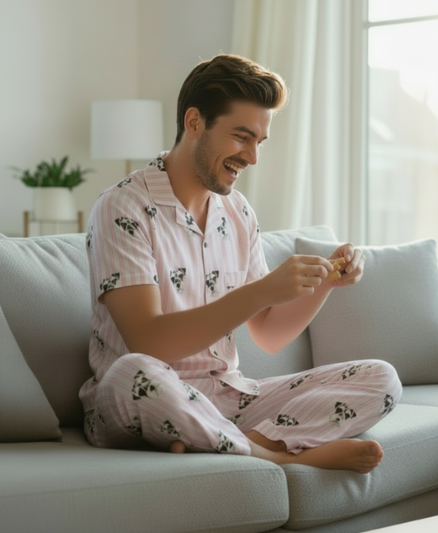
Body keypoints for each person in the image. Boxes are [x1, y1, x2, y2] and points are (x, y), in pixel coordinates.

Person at [80, 54, 402, 473]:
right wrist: (263, 290)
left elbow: (267, 334)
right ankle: (278, 457)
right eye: (241, 137)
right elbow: (148, 342)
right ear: (194, 122)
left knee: (381, 377)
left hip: (230, 396)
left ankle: (233, 442)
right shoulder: (123, 207)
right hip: (142, 395)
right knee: (133, 371)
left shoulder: (238, 213)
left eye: (259, 142)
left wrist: (322, 282)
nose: (251, 157)